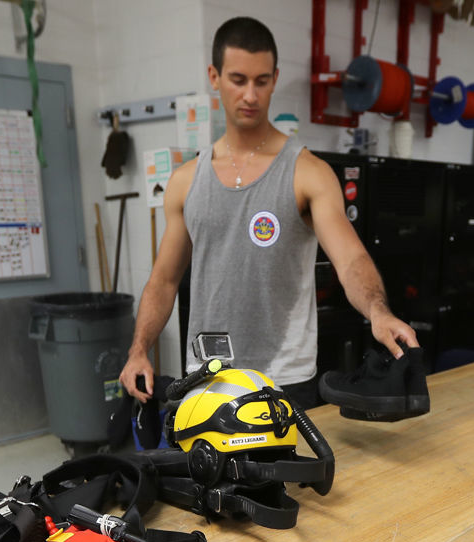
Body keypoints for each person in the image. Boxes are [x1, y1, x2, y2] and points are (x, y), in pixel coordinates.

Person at [119, 16, 418, 410]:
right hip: (207, 378)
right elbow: (163, 280)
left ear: (275, 79)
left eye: (261, 81)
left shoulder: (308, 173)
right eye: (238, 79)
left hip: (285, 380)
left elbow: (350, 259)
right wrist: (139, 349)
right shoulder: (185, 180)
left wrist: (378, 313)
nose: (250, 95)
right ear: (214, 76)